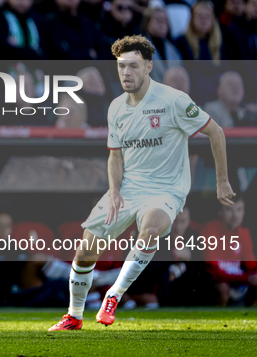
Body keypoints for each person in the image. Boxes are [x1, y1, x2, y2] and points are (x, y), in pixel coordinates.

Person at [48, 35, 235, 331]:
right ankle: (74, 315)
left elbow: (217, 132)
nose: (126, 73)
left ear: (148, 67)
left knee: (150, 228)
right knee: (85, 252)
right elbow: (114, 157)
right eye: (122, 66)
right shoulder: (116, 108)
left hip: (167, 189)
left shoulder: (173, 100)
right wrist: (114, 191)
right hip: (129, 187)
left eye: (133, 66)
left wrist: (222, 181)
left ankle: (114, 295)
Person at [201, 197, 257, 306]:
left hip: (239, 282)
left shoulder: (244, 232)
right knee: (222, 287)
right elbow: (212, 270)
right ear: (220, 212)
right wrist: (246, 278)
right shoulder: (209, 230)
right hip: (218, 282)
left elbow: (251, 265)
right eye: (229, 210)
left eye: (239, 210)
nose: (235, 215)